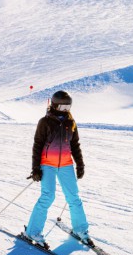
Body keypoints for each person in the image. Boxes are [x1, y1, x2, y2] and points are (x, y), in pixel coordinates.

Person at [24, 90, 91, 246]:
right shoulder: (45, 122)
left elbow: (75, 145)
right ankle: (32, 231)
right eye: (62, 107)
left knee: (74, 197)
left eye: (68, 107)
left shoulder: (71, 122)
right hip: (47, 164)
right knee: (48, 196)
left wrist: (80, 164)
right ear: (54, 106)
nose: (65, 111)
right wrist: (36, 168)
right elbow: (37, 145)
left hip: (66, 164)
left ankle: (80, 229)